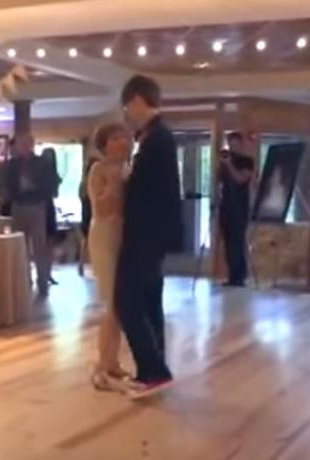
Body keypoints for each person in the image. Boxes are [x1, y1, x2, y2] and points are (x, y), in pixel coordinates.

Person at [115, 75, 183, 399]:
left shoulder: (156, 139)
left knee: (128, 300)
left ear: (139, 100)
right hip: (151, 233)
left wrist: (126, 179)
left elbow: (147, 191)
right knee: (149, 300)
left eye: (128, 106)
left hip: (145, 233)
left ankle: (154, 370)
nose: (127, 113)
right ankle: (154, 369)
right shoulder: (158, 136)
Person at [87, 122, 133, 391]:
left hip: (125, 236)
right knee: (112, 302)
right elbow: (102, 208)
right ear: (104, 144)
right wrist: (116, 184)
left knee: (121, 304)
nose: (122, 142)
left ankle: (112, 361)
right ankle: (101, 366)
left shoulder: (129, 167)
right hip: (105, 235)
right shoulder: (99, 169)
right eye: (115, 138)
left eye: (125, 137)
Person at [5, 132, 54, 297]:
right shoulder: (12, 164)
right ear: (18, 146)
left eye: (27, 143)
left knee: (40, 246)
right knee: (20, 247)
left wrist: (33, 188)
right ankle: (24, 282)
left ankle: (43, 282)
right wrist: (18, 193)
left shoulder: (43, 163)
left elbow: (50, 185)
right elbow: (8, 185)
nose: (24, 146)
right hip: (18, 207)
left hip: (37, 206)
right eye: (21, 143)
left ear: (32, 144)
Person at [217, 132, 255, 287]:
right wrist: (222, 165)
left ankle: (240, 276)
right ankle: (232, 276)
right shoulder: (226, 160)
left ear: (241, 144)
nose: (233, 147)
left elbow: (240, 179)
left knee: (238, 242)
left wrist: (229, 165)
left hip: (240, 207)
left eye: (236, 144)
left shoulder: (247, 161)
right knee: (228, 243)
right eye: (230, 144)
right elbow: (220, 181)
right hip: (226, 205)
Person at [41, 147, 63, 286]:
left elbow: (55, 193)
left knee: (47, 243)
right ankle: (45, 273)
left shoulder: (51, 175)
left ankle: (46, 273)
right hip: (44, 207)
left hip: (46, 208)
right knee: (45, 243)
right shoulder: (44, 174)